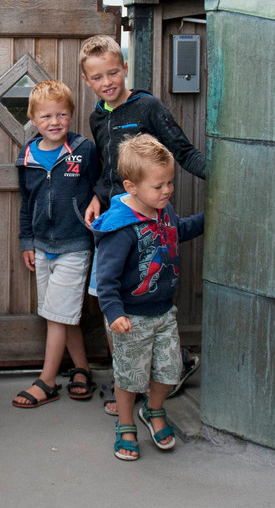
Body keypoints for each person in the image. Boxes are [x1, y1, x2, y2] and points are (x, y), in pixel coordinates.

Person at [78, 35, 204, 414]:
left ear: (125, 67)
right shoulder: (97, 116)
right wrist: (98, 196)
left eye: (113, 72)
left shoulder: (147, 107)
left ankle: (167, 368)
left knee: (149, 296)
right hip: (116, 222)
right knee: (108, 297)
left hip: (150, 221)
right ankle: (125, 385)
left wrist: (221, 178)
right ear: (87, 81)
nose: (107, 82)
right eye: (97, 77)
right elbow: (107, 168)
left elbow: (181, 151)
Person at [90, 134, 203, 461]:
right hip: (131, 318)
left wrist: (210, 218)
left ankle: (154, 411)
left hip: (165, 312)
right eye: (158, 186)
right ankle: (126, 425)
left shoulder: (163, 211)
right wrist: (114, 314)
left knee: (169, 370)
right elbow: (106, 278)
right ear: (131, 187)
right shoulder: (120, 229)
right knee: (129, 376)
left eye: (169, 183)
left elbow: (179, 231)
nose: (166, 191)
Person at [11, 79, 100, 408]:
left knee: (59, 314)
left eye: (62, 115)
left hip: (75, 244)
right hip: (42, 245)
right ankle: (81, 369)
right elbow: (26, 203)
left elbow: (99, 188)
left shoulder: (83, 150)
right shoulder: (27, 157)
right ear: (33, 119)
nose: (55, 122)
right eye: (46, 116)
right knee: (59, 314)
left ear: (71, 115)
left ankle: (47, 381)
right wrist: (27, 241)